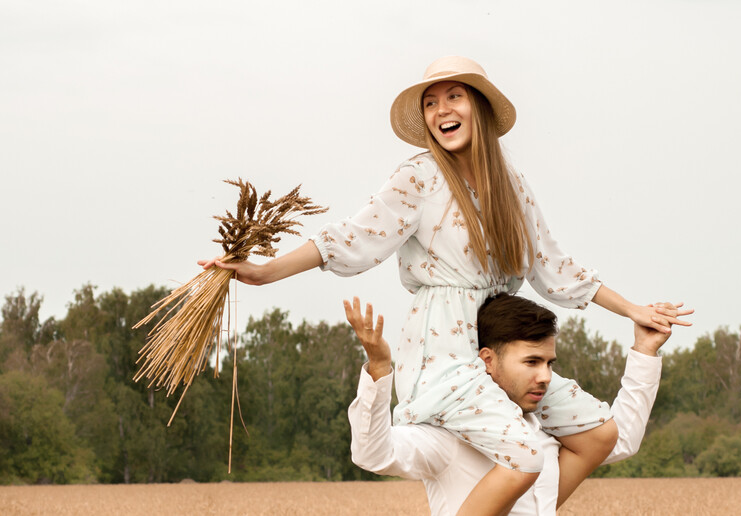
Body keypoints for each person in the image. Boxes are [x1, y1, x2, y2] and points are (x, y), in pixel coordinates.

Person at [200, 56, 692, 515]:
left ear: (477, 107)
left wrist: (632, 311)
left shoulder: (511, 181)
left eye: (453, 97)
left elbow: (551, 264)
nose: (441, 111)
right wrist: (267, 272)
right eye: (430, 103)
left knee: (601, 434)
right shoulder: (419, 176)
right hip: (444, 350)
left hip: (501, 336)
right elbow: (355, 237)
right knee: (523, 454)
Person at [345, 294, 681, 515]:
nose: (546, 376)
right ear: (487, 360)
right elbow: (373, 453)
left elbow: (619, 440)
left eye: (550, 363)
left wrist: (644, 352)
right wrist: (378, 370)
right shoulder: (448, 439)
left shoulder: (545, 438)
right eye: (532, 362)